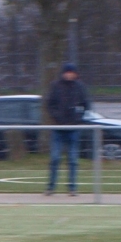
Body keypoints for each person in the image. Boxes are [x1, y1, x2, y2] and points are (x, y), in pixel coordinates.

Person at [45, 63, 89, 197]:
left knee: (73, 160)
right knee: (55, 158)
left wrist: (78, 118)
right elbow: (49, 104)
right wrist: (57, 117)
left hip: (73, 128)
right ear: (63, 73)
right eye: (67, 72)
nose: (70, 75)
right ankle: (50, 187)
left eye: (72, 72)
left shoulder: (80, 87)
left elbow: (86, 105)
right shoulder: (55, 86)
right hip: (58, 128)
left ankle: (72, 188)